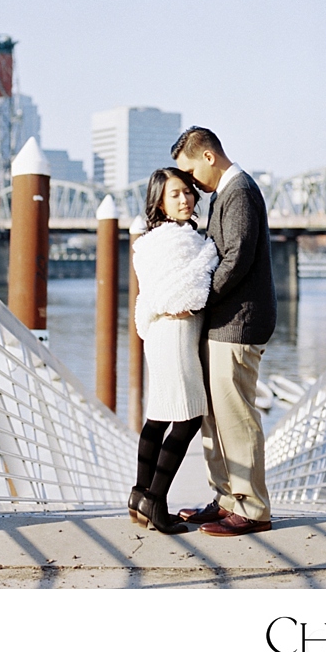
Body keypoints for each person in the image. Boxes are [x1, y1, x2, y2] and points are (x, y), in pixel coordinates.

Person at [172, 126, 277, 536]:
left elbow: (236, 257)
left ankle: (252, 509)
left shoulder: (240, 191)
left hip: (240, 322)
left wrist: (199, 296)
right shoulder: (225, 194)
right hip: (226, 323)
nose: (191, 182)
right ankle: (226, 499)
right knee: (214, 417)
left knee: (235, 417)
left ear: (208, 157)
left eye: (192, 170)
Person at [128, 167, 219, 534]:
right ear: (160, 203)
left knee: (159, 416)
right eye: (175, 195)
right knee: (188, 417)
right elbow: (190, 293)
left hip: (161, 336)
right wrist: (209, 257)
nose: (185, 200)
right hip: (177, 333)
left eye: (188, 193)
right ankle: (156, 499)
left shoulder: (152, 241)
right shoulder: (182, 242)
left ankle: (139, 493)